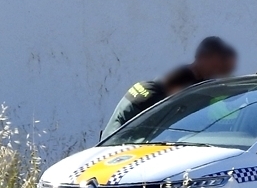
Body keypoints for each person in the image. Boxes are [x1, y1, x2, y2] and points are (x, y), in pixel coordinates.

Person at [100, 36, 237, 139]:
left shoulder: (194, 79)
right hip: (129, 126)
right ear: (203, 58)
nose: (217, 69)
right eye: (215, 63)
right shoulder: (184, 82)